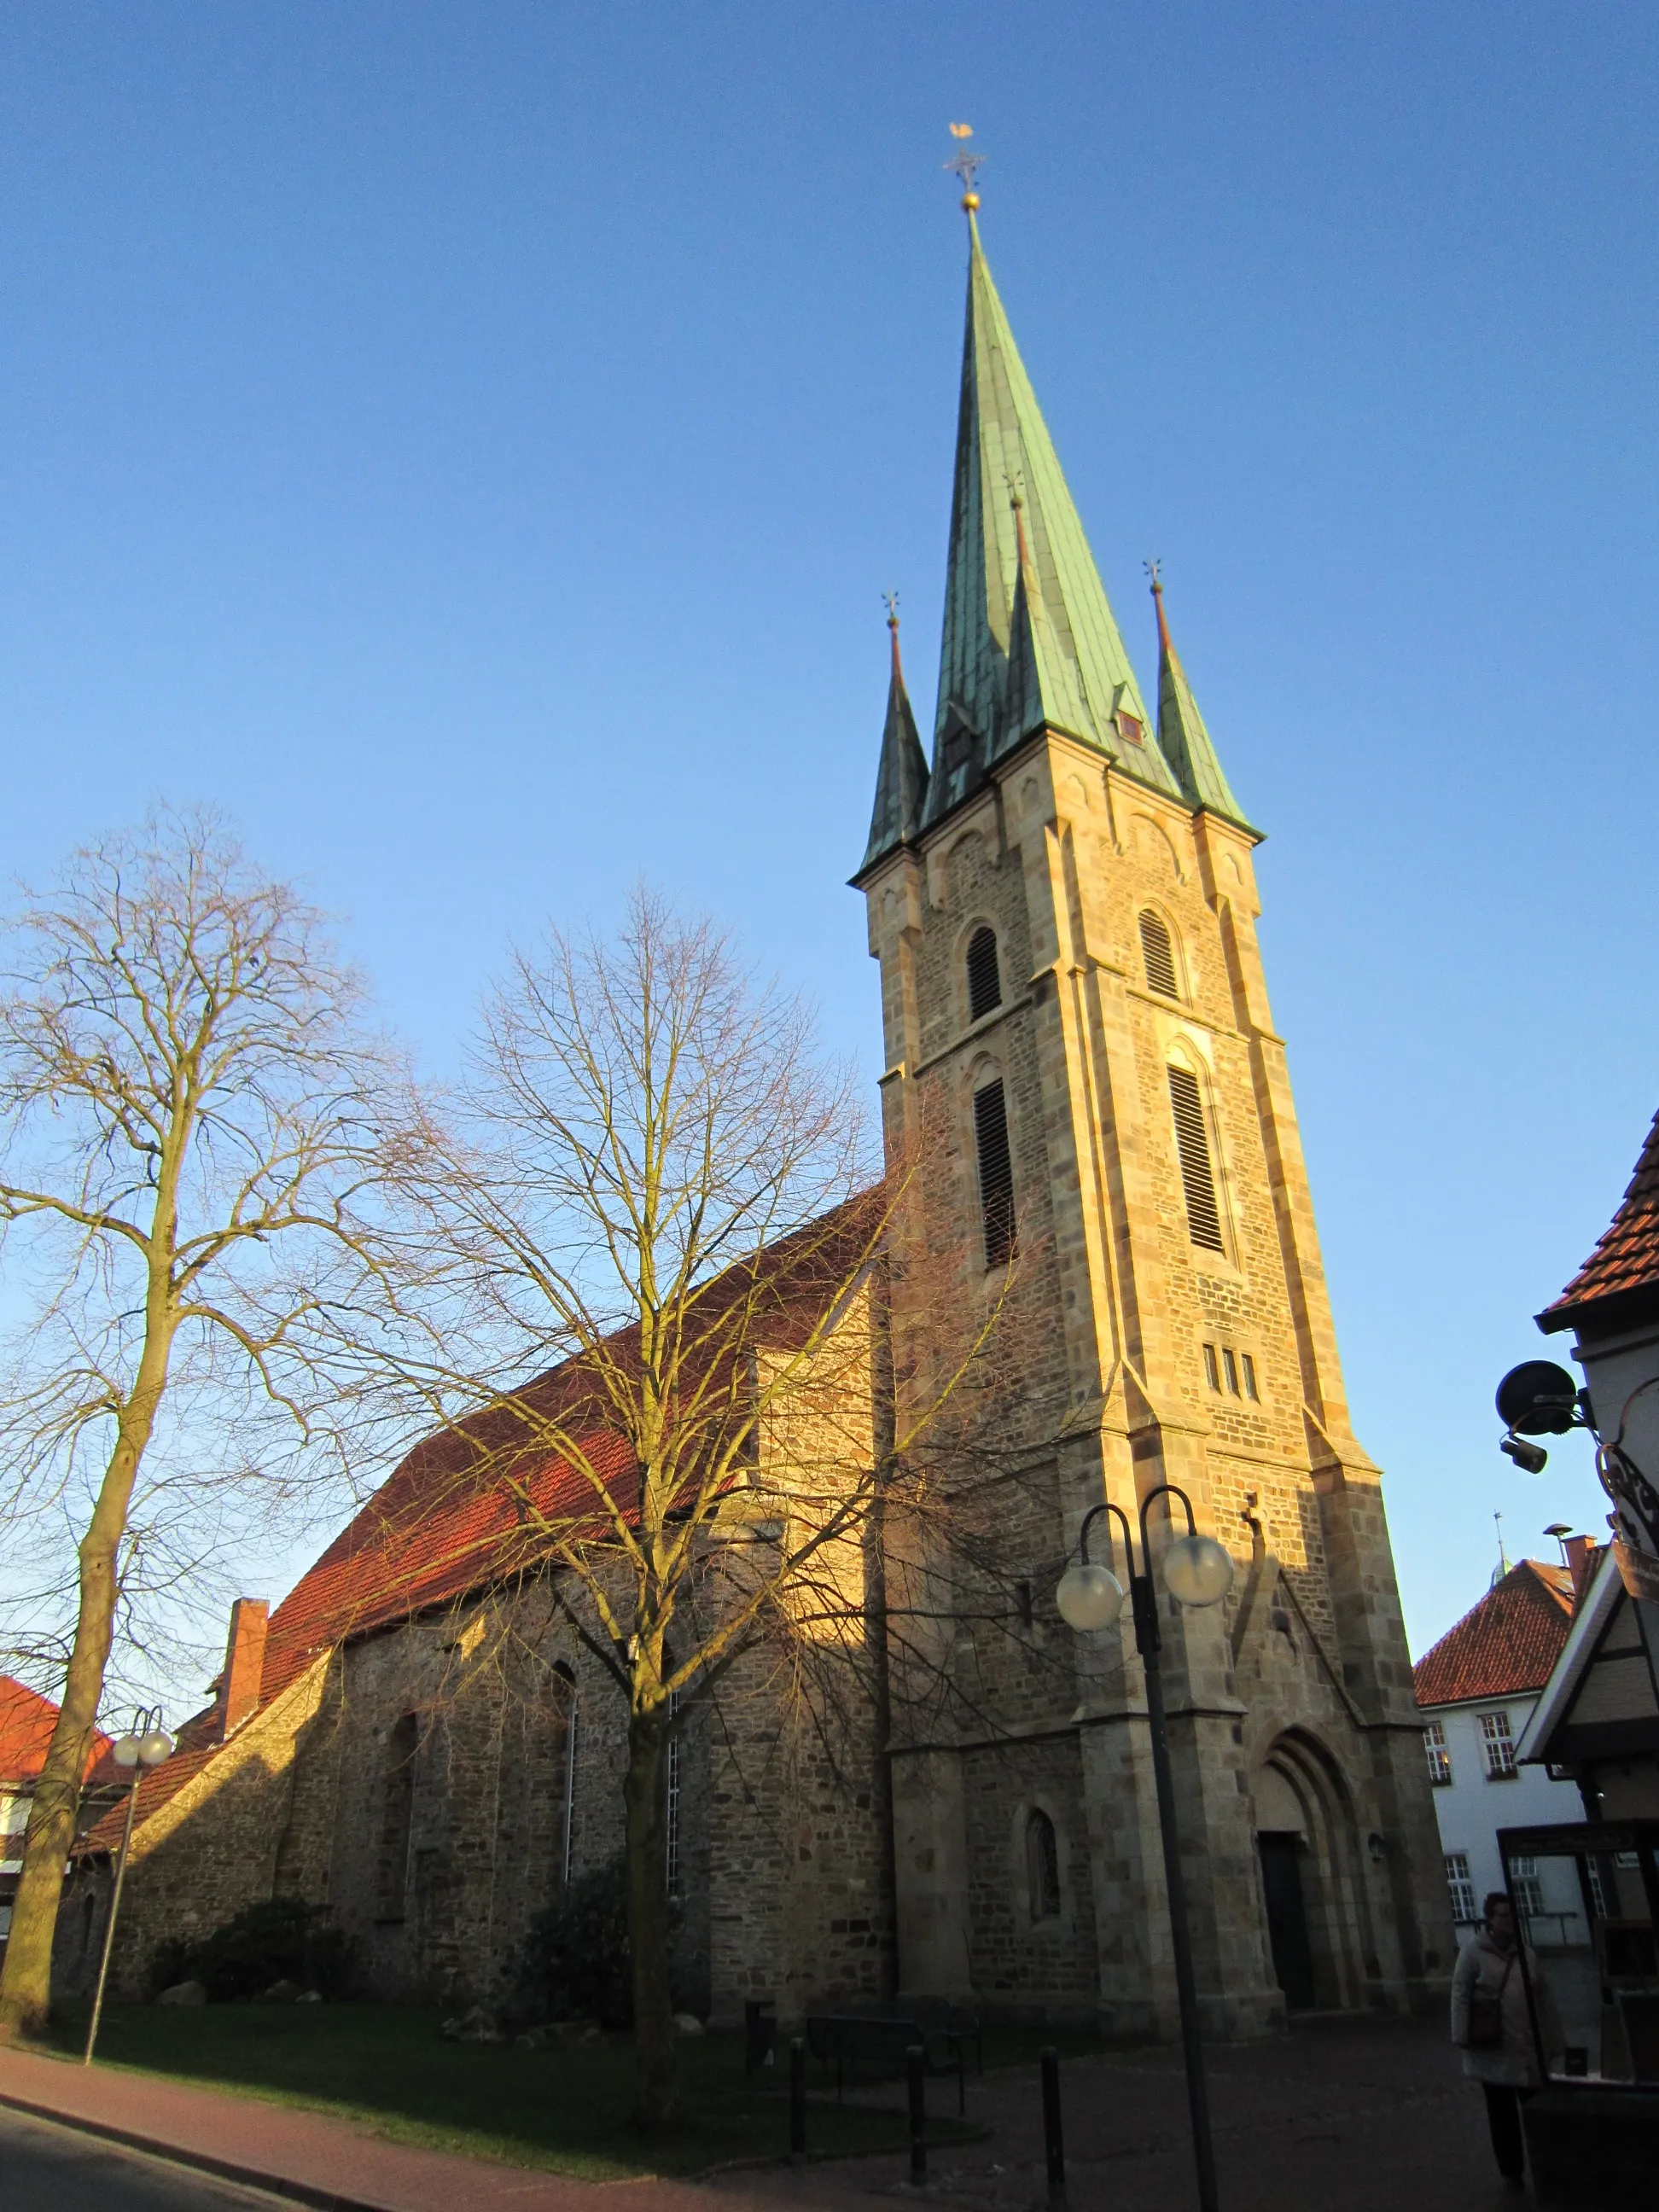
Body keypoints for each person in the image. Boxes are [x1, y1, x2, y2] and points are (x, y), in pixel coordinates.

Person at [1452, 1892, 1544, 2184]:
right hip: (1492, 2046)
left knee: (1537, 2110)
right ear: (1490, 1919)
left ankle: (1544, 2165)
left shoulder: (1527, 1953)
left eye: (1511, 1915)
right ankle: (1512, 2172)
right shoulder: (1472, 1952)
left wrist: (1552, 2038)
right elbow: (1460, 1993)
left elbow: (1543, 1998)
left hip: (1525, 2045)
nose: (1508, 1920)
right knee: (1502, 2114)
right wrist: (1461, 2035)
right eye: (1502, 1915)